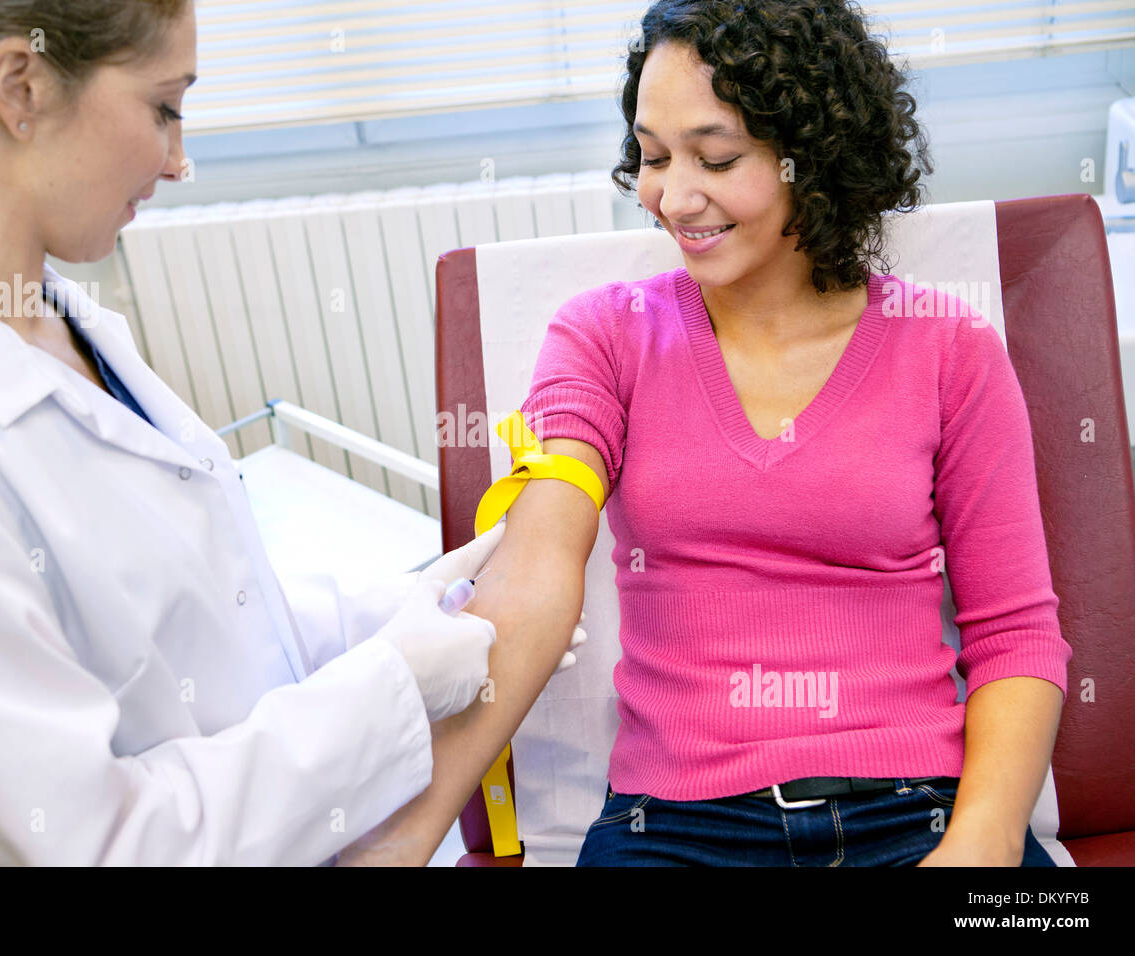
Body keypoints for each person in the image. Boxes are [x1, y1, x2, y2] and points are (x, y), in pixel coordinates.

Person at [0, 0, 583, 866]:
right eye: (164, 106)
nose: (182, 160)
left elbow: (206, 621)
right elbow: (89, 850)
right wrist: (392, 689)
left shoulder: (53, 320)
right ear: (21, 85)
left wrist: (397, 615)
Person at [336, 0, 1071, 867]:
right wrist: (404, 837)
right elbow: (534, 576)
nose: (671, 197)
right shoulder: (602, 337)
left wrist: (979, 843)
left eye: (715, 157)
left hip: (920, 810)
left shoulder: (949, 349)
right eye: (651, 157)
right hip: (674, 826)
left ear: (816, 156)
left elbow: (1017, 633)